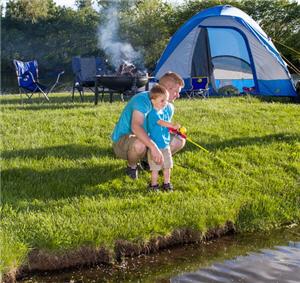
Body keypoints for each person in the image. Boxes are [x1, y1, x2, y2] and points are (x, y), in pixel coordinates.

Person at [111, 72, 185, 179]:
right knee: (139, 144)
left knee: (179, 140)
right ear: (167, 89)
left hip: (149, 140)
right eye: (176, 92)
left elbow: (160, 128)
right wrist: (153, 147)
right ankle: (132, 167)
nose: (178, 95)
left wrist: (173, 130)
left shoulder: (169, 107)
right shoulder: (142, 99)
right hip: (125, 140)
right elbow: (136, 127)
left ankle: (149, 162)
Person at [147, 84, 180, 191]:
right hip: (156, 147)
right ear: (153, 101)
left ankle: (167, 183)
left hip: (166, 146)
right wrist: (171, 125)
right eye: (162, 101)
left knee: (167, 167)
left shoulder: (164, 113)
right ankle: (154, 185)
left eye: (166, 100)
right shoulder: (152, 114)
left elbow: (165, 127)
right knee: (155, 169)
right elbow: (161, 123)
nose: (165, 103)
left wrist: (173, 129)